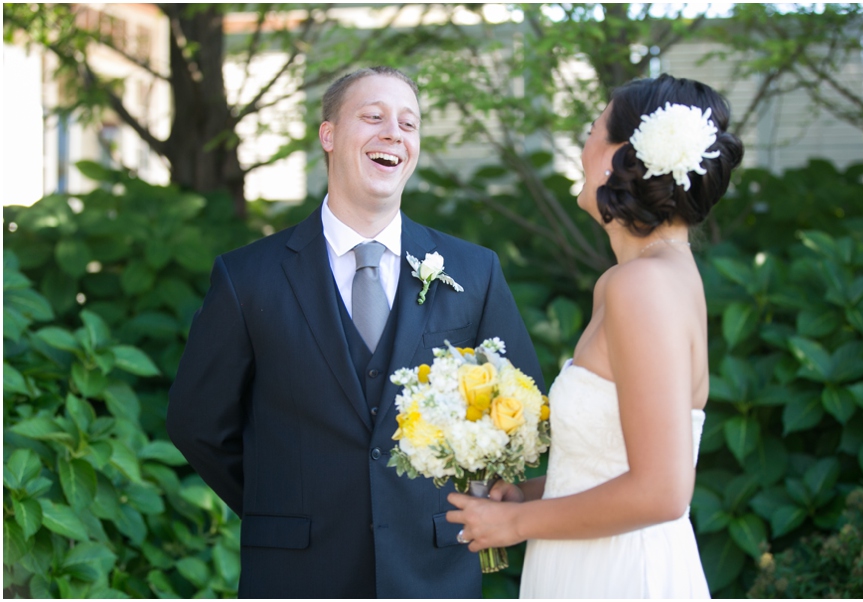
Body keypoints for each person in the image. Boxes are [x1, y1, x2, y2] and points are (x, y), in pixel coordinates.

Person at [167, 66, 543, 598]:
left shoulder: (474, 271)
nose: (394, 132)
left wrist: (477, 497)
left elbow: (521, 405)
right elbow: (197, 421)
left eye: (408, 123)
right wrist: (281, 503)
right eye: (374, 117)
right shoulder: (247, 277)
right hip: (297, 573)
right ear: (329, 135)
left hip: (432, 571)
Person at [447, 74, 744, 598]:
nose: (582, 147)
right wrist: (531, 496)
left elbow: (661, 492)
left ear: (620, 157)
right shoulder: (640, 278)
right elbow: (616, 463)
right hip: (586, 561)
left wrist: (514, 527)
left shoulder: (644, 286)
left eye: (591, 130)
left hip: (622, 573)